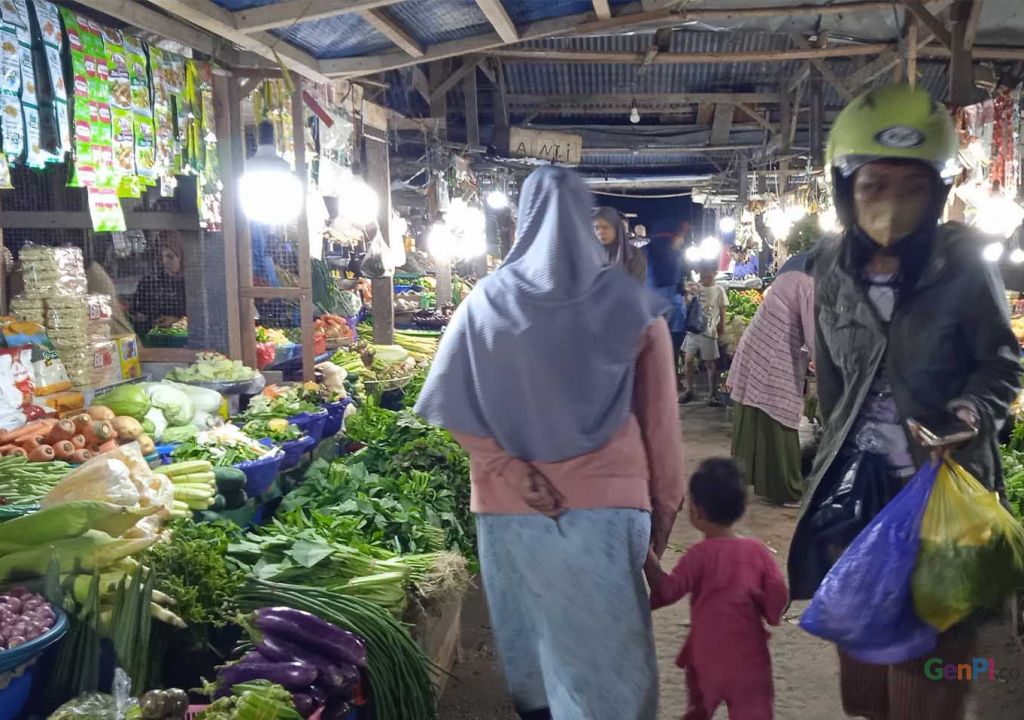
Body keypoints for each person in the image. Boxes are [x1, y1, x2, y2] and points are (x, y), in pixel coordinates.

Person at [415, 166, 685, 720]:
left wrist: (511, 471)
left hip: (509, 516)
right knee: (605, 670)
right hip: (610, 513)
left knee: (536, 657)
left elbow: (448, 402)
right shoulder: (632, 307)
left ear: (524, 221)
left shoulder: (484, 303)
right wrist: (658, 521)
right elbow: (661, 431)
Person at [787, 84, 1021, 720]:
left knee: (938, 667)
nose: (891, 204)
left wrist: (971, 415)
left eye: (911, 187)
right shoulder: (830, 268)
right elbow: (832, 382)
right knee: (864, 681)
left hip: (941, 495)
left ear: (936, 192)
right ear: (846, 190)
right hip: (856, 500)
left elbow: (1002, 361)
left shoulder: (965, 263)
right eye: (873, 186)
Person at [645, 458, 788, 720]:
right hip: (749, 659)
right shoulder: (758, 553)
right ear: (742, 508)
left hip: (705, 658)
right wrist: (772, 614)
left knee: (699, 710)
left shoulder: (699, 556)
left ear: (696, 512)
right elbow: (777, 594)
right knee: (754, 711)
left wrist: (646, 555)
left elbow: (668, 591)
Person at [727, 252, 814, 505]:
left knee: (757, 411)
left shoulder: (793, 275)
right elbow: (813, 331)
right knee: (780, 413)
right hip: (775, 351)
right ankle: (788, 489)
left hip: (760, 344)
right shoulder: (809, 283)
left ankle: (746, 480)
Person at [680, 261, 728, 406]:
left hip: (709, 331)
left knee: (710, 363)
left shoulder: (719, 290)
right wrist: (688, 294)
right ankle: (690, 390)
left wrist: (721, 329)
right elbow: (687, 304)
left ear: (715, 273)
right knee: (688, 361)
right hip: (694, 330)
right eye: (702, 271)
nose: (704, 274)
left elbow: (722, 311)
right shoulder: (696, 288)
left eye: (707, 271)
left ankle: (712, 394)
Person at [646, 220, 688, 377]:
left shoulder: (653, 255)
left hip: (659, 320)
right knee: (667, 359)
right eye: (680, 236)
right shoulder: (669, 258)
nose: (682, 240)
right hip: (667, 321)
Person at [131, 234, 186, 335]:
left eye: (170, 257)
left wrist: (177, 321)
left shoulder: (193, 284)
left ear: (182, 257)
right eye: (161, 257)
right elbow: (136, 313)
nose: (165, 262)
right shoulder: (148, 282)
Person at [594, 206, 647, 282]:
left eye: (605, 227)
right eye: (596, 228)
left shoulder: (633, 254)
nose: (600, 232)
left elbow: (637, 286)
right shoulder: (592, 253)